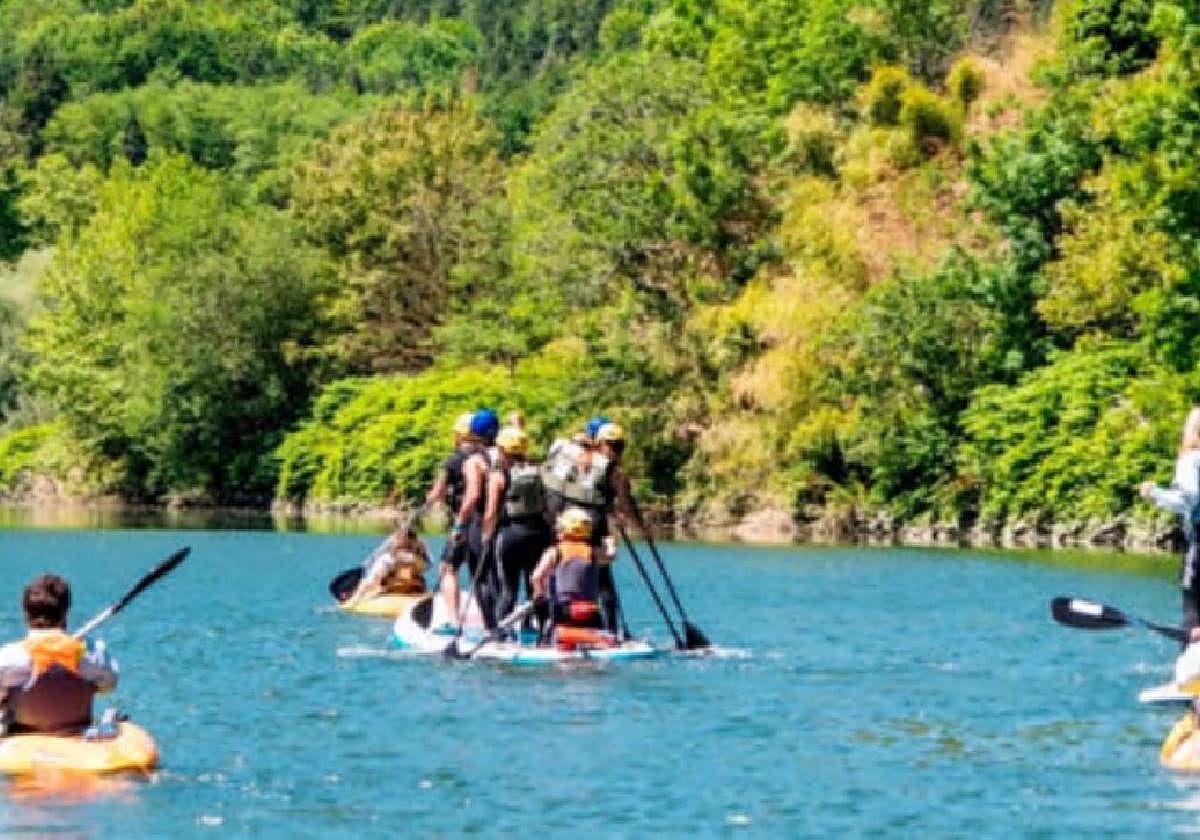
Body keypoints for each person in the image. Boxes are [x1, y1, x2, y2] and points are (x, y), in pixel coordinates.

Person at [541, 417, 634, 634]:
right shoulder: (613, 471)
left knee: (561, 571)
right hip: (593, 522)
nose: (616, 451)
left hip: (567, 519)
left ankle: (553, 626)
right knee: (602, 578)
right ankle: (610, 629)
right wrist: (630, 521)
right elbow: (623, 503)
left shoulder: (573, 456)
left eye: (619, 446)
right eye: (614, 446)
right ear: (600, 444)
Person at [0, 574, 118, 735]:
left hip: (22, 738)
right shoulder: (93, 653)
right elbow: (108, 685)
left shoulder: (8, 658)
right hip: (75, 737)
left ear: (26, 614)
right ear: (65, 613)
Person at [483, 426, 551, 634]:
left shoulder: (499, 475)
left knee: (508, 591)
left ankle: (500, 634)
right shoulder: (538, 471)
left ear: (503, 450)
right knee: (536, 587)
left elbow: (491, 512)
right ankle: (543, 631)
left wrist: (487, 536)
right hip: (539, 533)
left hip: (511, 533)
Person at [1141, 406, 1200, 639]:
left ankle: (1190, 663)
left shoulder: (1192, 460)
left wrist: (1154, 493)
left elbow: (1187, 499)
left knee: (1192, 605)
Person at [424, 412, 478, 630]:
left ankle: (454, 621)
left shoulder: (453, 460)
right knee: (481, 573)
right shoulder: (487, 456)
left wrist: (428, 501)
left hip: (463, 523)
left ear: (458, 436)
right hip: (485, 524)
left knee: (448, 568)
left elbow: (437, 491)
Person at [451, 408, 501, 629]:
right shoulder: (505, 455)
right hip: (505, 522)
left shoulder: (474, 460)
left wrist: (460, 523)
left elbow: (473, 496)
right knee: (499, 577)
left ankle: (492, 627)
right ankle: (505, 623)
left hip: (480, 522)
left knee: (480, 577)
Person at [531, 507, 605, 635]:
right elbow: (611, 554)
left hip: (564, 611)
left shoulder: (555, 552)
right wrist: (609, 541)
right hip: (590, 612)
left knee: (542, 603)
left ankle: (544, 635)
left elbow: (537, 577)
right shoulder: (593, 552)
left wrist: (539, 595)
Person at [346, 526, 430, 605]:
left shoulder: (387, 558)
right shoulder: (422, 558)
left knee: (367, 581)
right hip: (414, 588)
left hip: (393, 587)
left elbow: (374, 577)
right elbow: (427, 565)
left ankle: (356, 598)